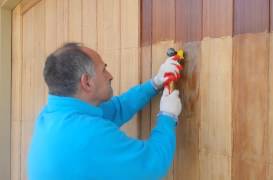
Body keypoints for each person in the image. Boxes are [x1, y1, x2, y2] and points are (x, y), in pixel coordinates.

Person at [27, 42, 182, 180]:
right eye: (104, 70)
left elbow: (117, 108)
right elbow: (152, 164)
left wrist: (155, 83)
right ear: (87, 82)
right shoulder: (87, 134)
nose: (110, 76)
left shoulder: (52, 115)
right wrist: (168, 116)